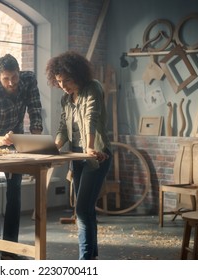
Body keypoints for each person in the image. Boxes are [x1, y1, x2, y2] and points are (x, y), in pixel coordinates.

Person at [0, 53, 43, 260]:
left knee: (15, 191)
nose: (12, 83)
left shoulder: (28, 79)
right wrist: (0, 141)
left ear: (19, 73)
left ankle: (10, 247)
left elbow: (35, 108)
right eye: (6, 79)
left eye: (14, 77)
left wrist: (36, 137)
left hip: (15, 136)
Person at [45, 51, 112, 260]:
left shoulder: (93, 87)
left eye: (67, 80)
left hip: (96, 156)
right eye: (59, 82)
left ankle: (85, 260)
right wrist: (53, 147)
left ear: (78, 75)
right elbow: (63, 129)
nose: (63, 86)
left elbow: (92, 115)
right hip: (77, 158)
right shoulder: (66, 99)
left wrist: (90, 147)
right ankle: (91, 257)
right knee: (84, 209)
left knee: (82, 210)